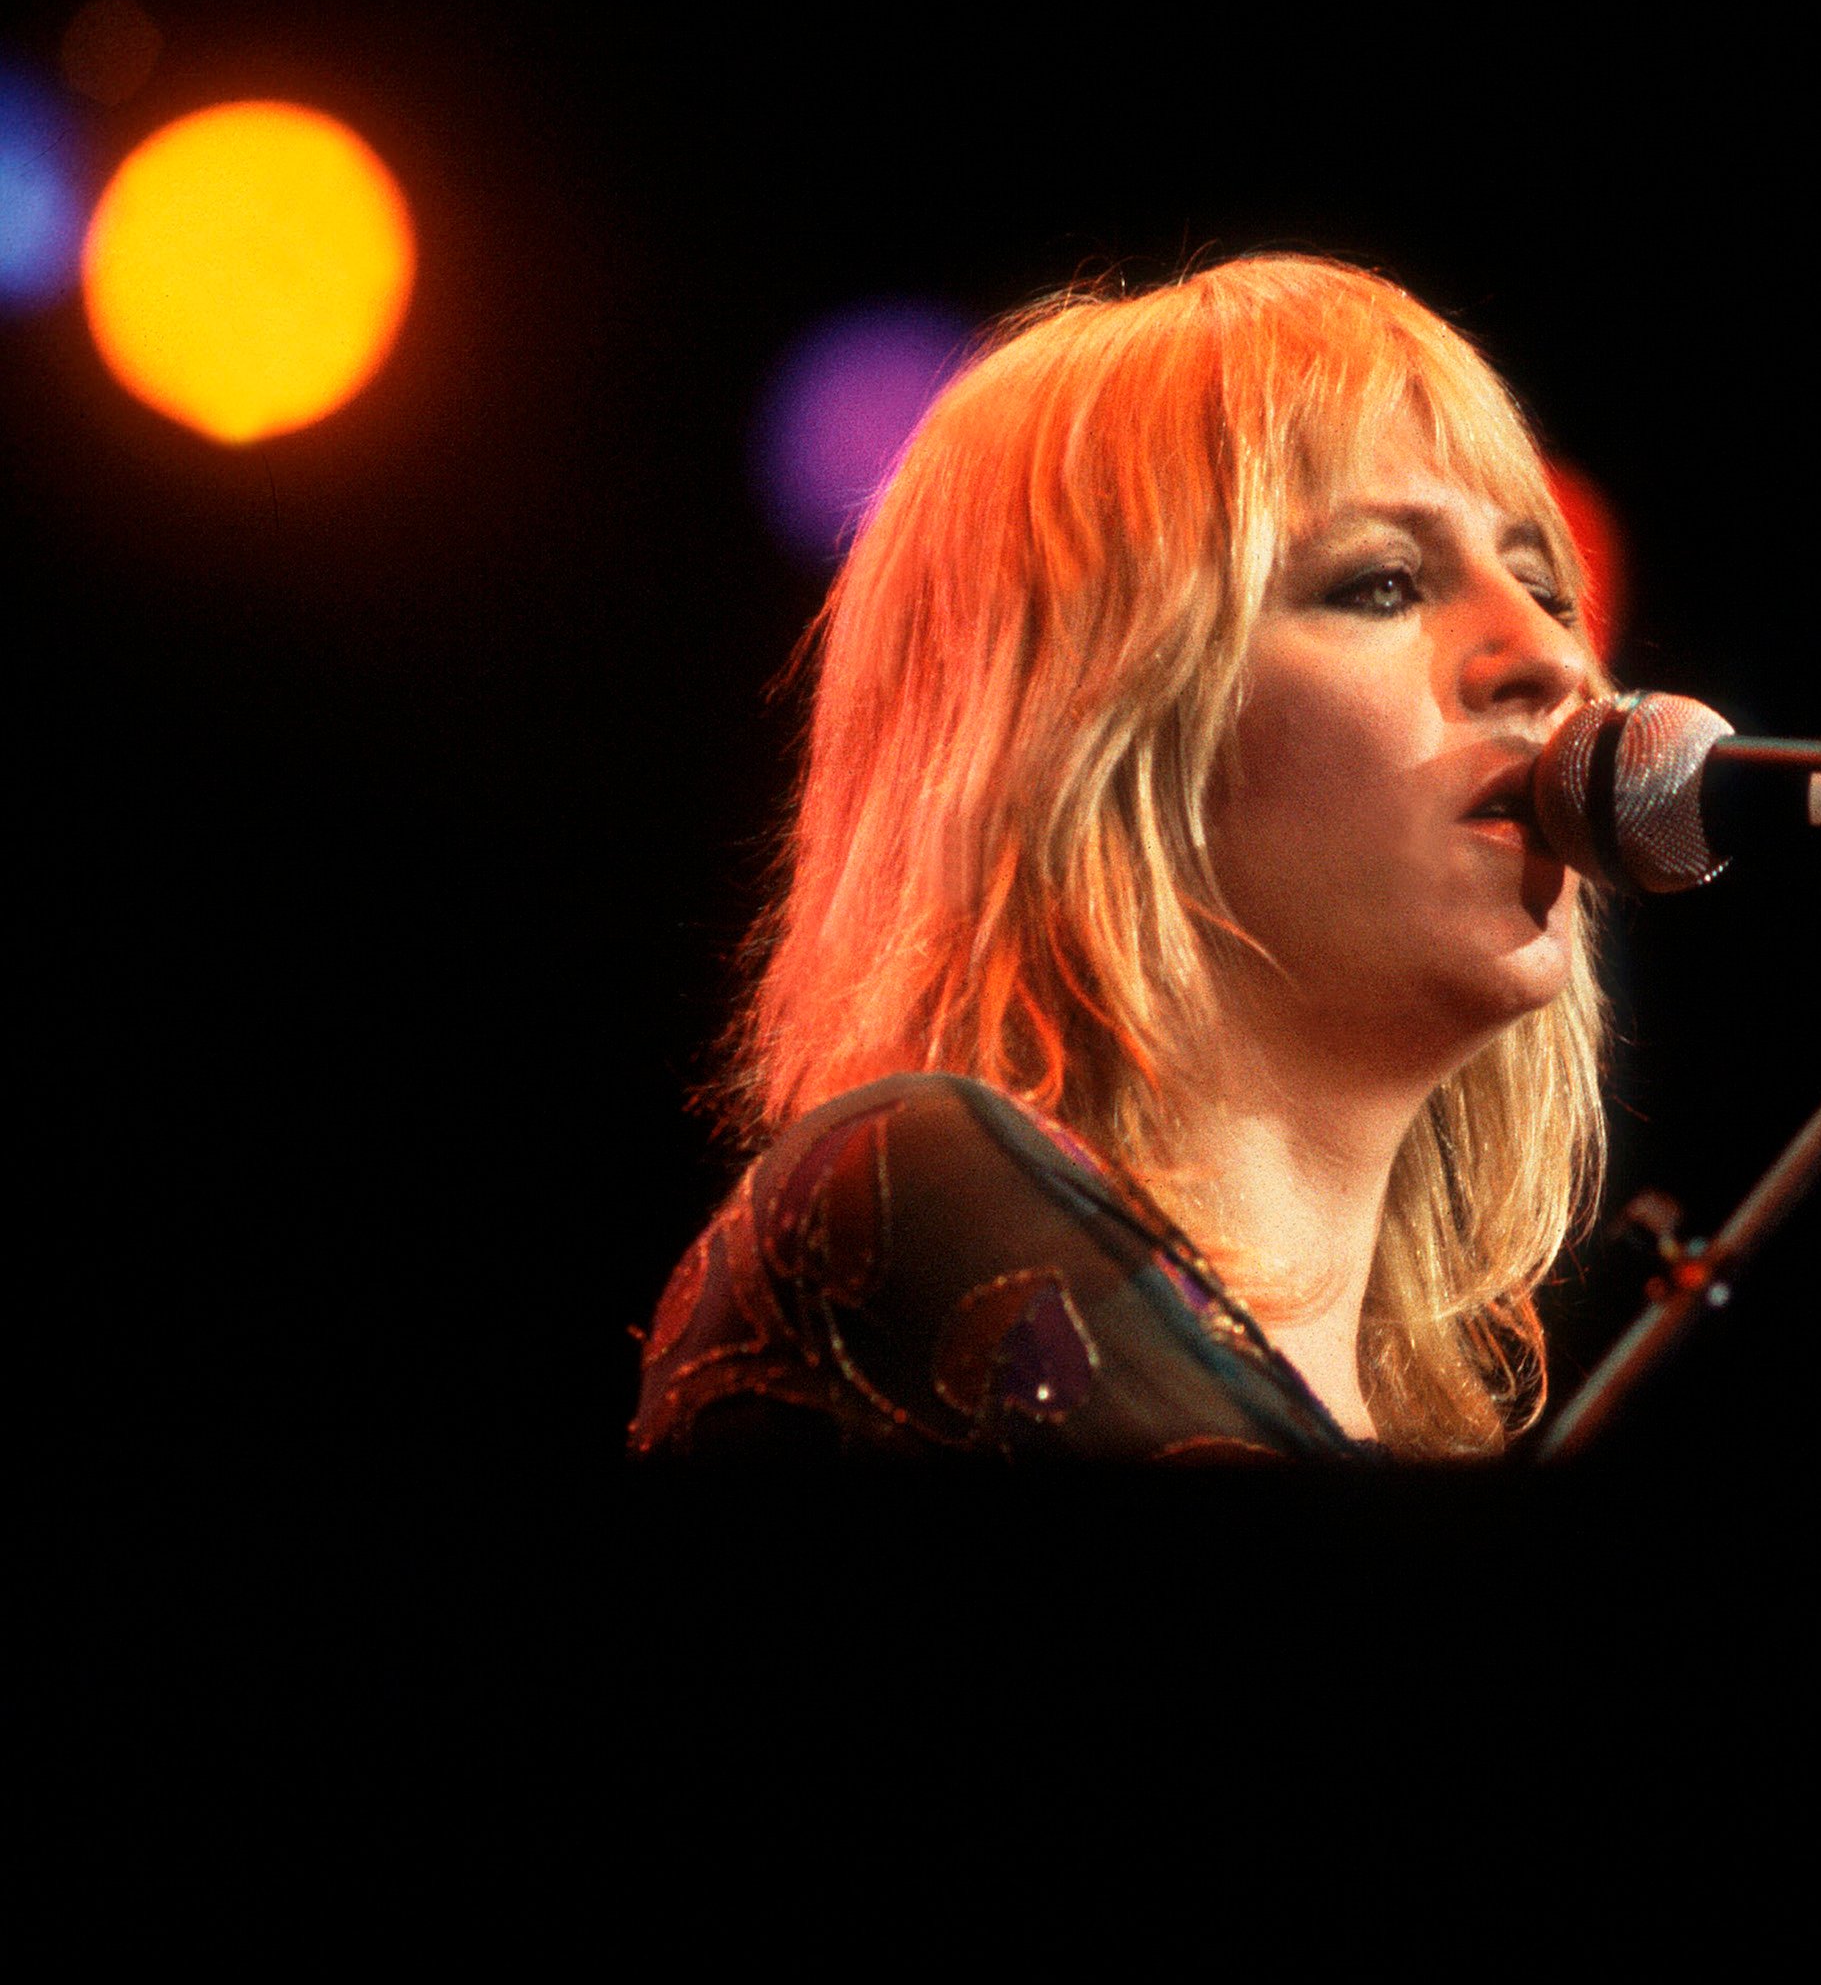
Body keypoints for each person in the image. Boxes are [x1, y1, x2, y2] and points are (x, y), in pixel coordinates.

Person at [630, 255, 1609, 1462]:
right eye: (1383, 583)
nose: (1556, 664)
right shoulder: (900, 1198)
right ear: (1092, 739)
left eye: (1545, 589)